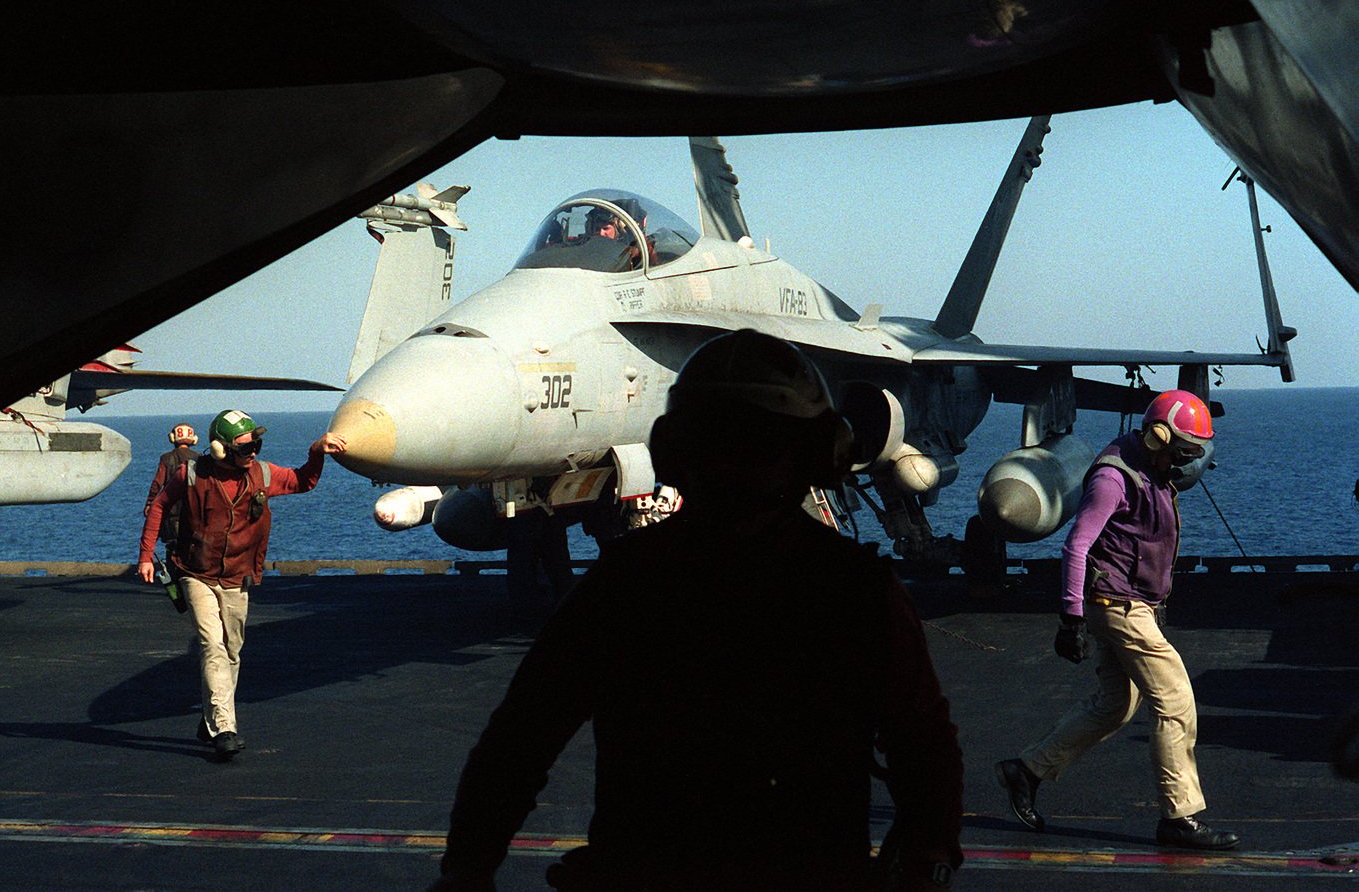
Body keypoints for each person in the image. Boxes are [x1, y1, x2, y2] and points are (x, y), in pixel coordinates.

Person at [429, 329, 964, 890]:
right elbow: (923, 744)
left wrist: (467, 870)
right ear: (820, 454)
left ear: (675, 452)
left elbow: (518, 742)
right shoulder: (855, 588)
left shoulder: (626, 583)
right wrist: (926, 857)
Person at [995, 389, 1240, 850]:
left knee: (1115, 705)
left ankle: (1026, 770)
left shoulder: (1150, 467)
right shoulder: (1114, 478)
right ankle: (1179, 817)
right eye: (1183, 451)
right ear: (1159, 438)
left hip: (1128, 603)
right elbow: (1077, 545)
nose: (1188, 462)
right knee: (1175, 700)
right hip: (1119, 607)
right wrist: (1070, 619)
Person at [137, 409, 346, 760]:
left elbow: (303, 481)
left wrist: (316, 451)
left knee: (232, 650)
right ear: (219, 449)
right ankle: (225, 728)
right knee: (212, 646)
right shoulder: (190, 474)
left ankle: (210, 719)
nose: (253, 452)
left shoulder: (262, 473)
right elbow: (159, 506)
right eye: (245, 447)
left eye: (256, 445)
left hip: (238, 575)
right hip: (195, 572)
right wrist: (146, 555)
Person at [142, 423, 198, 555]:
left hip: (172, 514)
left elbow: (157, 483)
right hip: (194, 513)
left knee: (173, 548)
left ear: (173, 438)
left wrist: (150, 503)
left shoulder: (166, 458)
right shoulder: (199, 458)